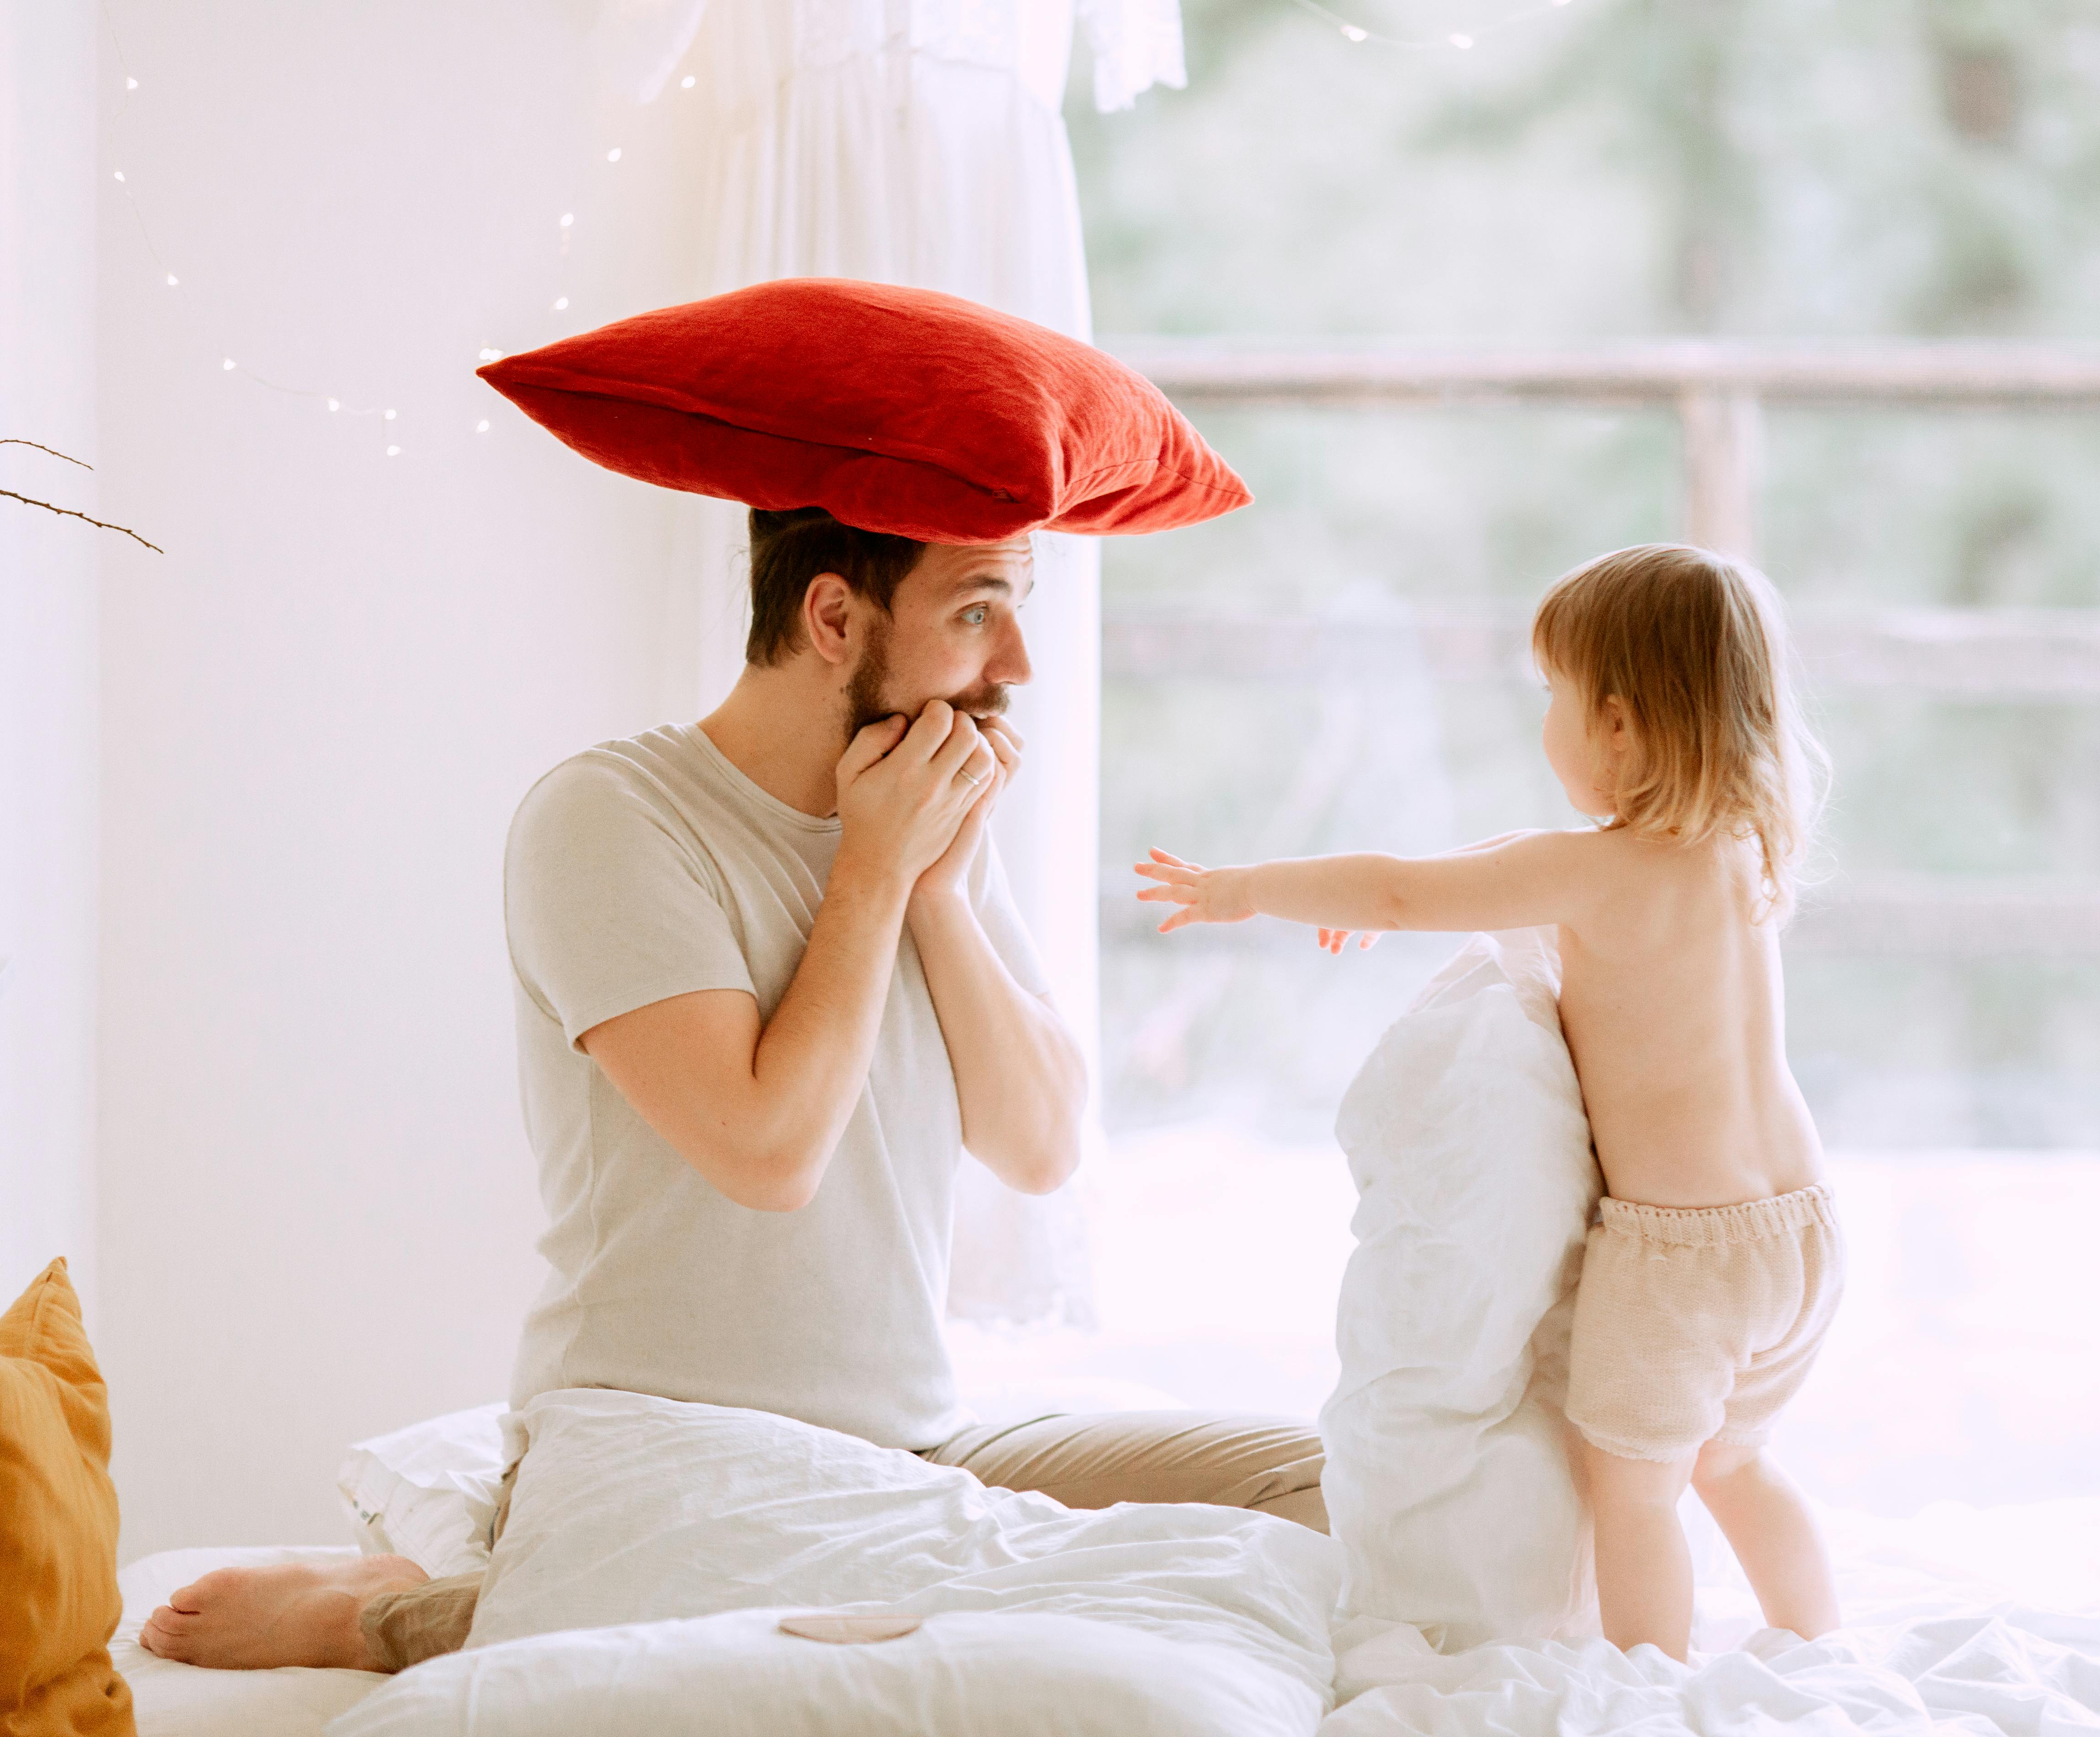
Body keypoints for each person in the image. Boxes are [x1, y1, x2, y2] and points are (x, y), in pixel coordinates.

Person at [139, 506, 1325, 1676]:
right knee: (812, 1612)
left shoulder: (923, 830)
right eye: (977, 612)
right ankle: (398, 1617)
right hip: (665, 1451)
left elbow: (1041, 1149)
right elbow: (768, 1153)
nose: (1016, 665)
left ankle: (518, 1589)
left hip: (911, 1440)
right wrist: (871, 868)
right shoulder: (609, 816)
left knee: (1332, 1492)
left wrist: (938, 894)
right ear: (832, 617)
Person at [1135, 543, 1840, 1659]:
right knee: (1736, 1460)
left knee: (1635, 1488)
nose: (1545, 723)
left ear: (1617, 724)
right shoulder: (1743, 850)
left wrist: (1245, 889)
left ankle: (1649, 1682)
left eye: (1552, 698)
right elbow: (1490, 864)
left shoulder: (1600, 873)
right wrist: (1411, 899)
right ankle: (1818, 1641)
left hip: (1681, 1256)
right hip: (1800, 1233)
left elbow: (1408, 885)